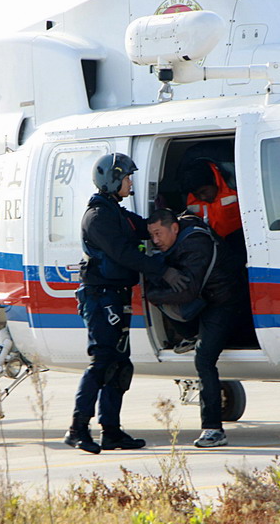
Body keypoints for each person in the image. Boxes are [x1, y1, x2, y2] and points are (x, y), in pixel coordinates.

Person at [64, 154, 189, 454]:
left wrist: (181, 223)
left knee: (120, 366)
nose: (130, 183)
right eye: (127, 178)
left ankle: (112, 432)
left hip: (117, 296)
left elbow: (146, 226)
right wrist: (163, 270)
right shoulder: (98, 217)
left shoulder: (117, 214)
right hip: (100, 297)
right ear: (113, 179)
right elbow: (124, 254)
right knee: (101, 363)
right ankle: (77, 428)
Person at [146, 208, 246, 448]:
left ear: (175, 228)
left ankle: (213, 430)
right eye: (152, 235)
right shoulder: (186, 233)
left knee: (204, 359)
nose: (156, 241)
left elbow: (188, 291)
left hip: (223, 303)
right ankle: (192, 334)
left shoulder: (196, 245)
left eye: (159, 233)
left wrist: (152, 294)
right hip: (209, 300)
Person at [178, 158, 246, 265]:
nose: (202, 197)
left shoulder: (237, 183)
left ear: (214, 180)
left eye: (204, 191)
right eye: (197, 195)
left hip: (242, 245)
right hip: (212, 251)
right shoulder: (189, 195)